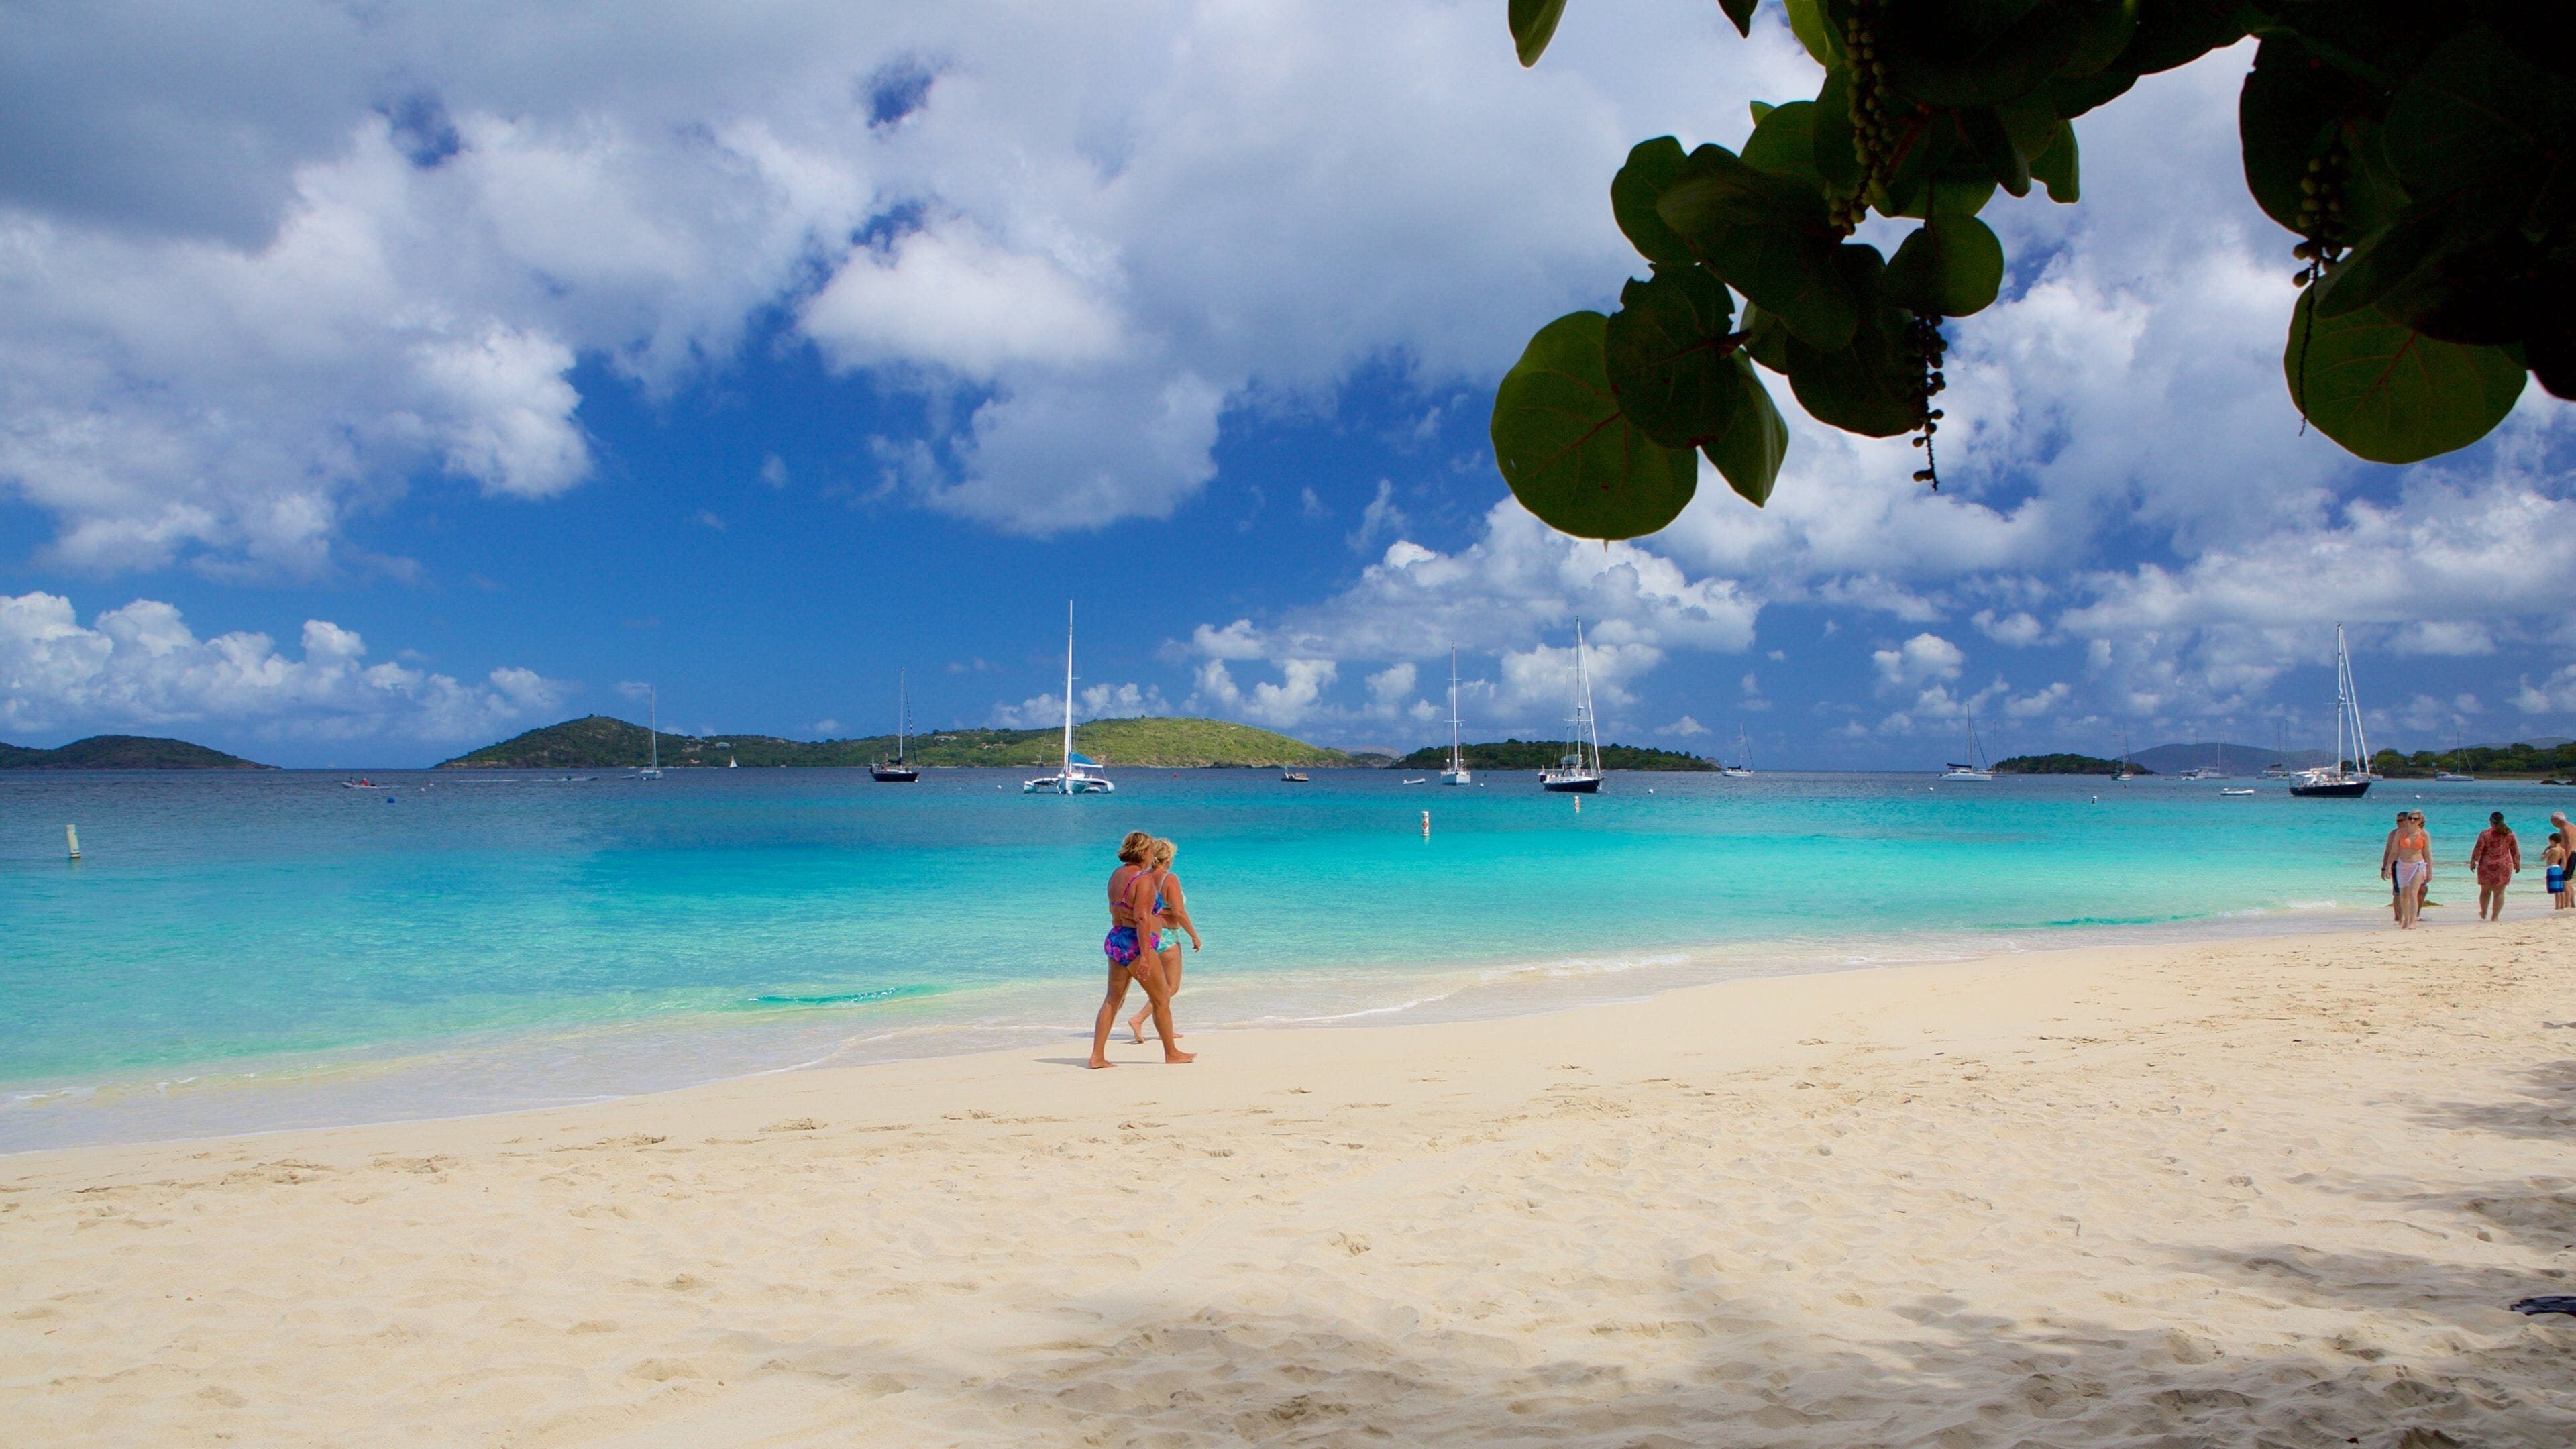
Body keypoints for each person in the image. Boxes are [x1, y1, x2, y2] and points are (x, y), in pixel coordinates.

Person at [1090, 832, 1193, 1068]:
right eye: (1150, 851)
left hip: (1117, 940)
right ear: (1144, 852)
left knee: (1112, 999)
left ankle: (1097, 1056)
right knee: (1161, 998)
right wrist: (1146, 956)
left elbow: (1119, 911)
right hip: (1137, 944)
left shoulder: (1117, 875)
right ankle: (1171, 1053)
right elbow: (1142, 919)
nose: (1152, 855)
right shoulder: (1142, 879)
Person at [1128, 837, 1202, 1044]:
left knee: (1160, 985)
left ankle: (1164, 1026)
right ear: (1168, 858)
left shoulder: (1144, 877)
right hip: (1167, 937)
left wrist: (1163, 912)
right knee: (1170, 986)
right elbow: (1179, 911)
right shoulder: (1169, 879)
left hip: (1145, 935)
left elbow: (1148, 909)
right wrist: (1195, 936)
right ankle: (1139, 1019)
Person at [2471, 812, 2521, 921]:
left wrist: (2473, 861)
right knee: (2499, 892)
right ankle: (2495, 917)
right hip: (2504, 864)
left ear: (2491, 821)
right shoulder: (2509, 834)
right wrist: (2517, 863)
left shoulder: (2485, 834)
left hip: (2487, 864)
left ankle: (2484, 912)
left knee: (2485, 891)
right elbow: (2514, 850)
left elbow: (2478, 848)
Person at [2389, 811, 2431, 929]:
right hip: (2402, 866)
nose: (2412, 821)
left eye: (2415, 819)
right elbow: (2393, 851)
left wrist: (2430, 871)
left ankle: (2413, 922)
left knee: (2413, 893)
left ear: (2420, 821)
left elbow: (2428, 854)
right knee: (2403, 896)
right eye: (2410, 818)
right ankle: (2406, 919)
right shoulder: (2400, 833)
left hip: (2418, 865)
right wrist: (2387, 866)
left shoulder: (2424, 834)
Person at [2379, 810, 2410, 924]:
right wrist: (2384, 868)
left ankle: (2409, 916)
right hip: (2397, 864)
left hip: (2411, 864)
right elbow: (2388, 851)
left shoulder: (2416, 833)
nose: (2397, 823)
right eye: (2397, 821)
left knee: (2411, 891)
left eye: (2400, 820)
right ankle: (2399, 918)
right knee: (2398, 892)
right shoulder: (2393, 834)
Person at [2546, 830, 2571, 912]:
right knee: (2560, 889)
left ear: (2553, 841)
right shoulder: (2562, 850)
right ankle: (2562, 906)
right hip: (2558, 868)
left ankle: (2557, 906)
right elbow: (2564, 862)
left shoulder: (2552, 850)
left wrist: (2546, 850)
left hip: (2551, 868)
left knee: (2556, 890)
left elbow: (2543, 858)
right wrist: (2562, 869)